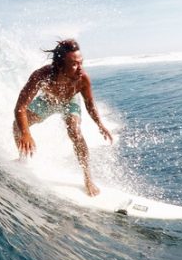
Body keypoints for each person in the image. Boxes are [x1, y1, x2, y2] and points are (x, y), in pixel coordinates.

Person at [13, 39, 113, 196]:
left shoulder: (83, 79)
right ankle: (22, 160)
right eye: (74, 64)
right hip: (48, 101)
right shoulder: (41, 76)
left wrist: (100, 124)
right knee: (17, 125)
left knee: (75, 131)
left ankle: (88, 179)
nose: (80, 68)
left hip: (70, 101)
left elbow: (89, 104)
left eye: (81, 63)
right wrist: (26, 133)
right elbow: (20, 107)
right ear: (59, 65)